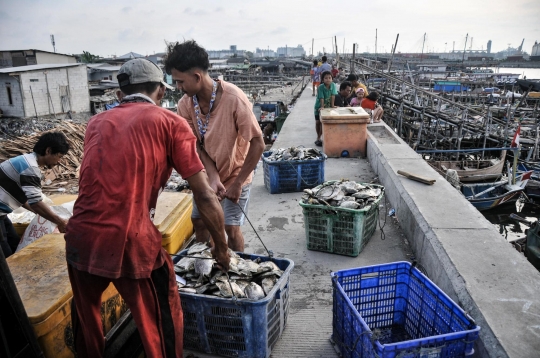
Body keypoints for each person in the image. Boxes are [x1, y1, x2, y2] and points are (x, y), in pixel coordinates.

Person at [65, 58, 231, 358]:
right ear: (160, 92)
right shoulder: (171, 123)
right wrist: (222, 247)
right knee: (160, 318)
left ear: (119, 95)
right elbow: (205, 196)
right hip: (131, 240)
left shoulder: (95, 123)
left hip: (79, 237)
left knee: (87, 322)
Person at [165, 40, 265, 253]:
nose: (178, 87)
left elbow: (258, 143)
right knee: (200, 223)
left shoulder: (234, 98)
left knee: (230, 227)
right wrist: (212, 177)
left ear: (197, 77)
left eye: (180, 81)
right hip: (207, 176)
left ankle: (238, 269)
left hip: (236, 173)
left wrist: (237, 183)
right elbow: (196, 146)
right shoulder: (185, 104)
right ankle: (207, 266)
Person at [0, 132, 70, 258]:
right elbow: (36, 203)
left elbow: (24, 199)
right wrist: (60, 222)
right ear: (48, 151)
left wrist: (44, 215)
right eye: (59, 156)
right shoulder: (30, 168)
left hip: (2, 214)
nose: (59, 161)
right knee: (5, 256)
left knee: (14, 243)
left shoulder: (26, 161)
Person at [314, 71, 338, 146]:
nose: (328, 79)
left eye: (329, 78)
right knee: (318, 122)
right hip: (318, 106)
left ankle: (322, 137)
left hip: (328, 106)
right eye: (326, 78)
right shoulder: (320, 87)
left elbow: (333, 95)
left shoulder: (333, 85)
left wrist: (332, 105)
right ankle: (318, 137)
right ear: (323, 79)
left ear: (332, 79)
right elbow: (321, 98)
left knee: (323, 123)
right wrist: (322, 107)